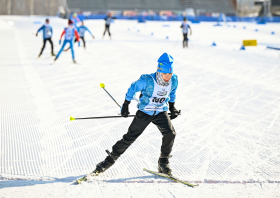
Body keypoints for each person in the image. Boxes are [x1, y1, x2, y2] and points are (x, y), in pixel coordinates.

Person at [91, 53, 180, 176]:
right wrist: (126, 105)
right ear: (159, 71)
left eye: (169, 74)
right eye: (165, 73)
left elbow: (172, 92)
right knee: (130, 137)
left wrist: (172, 107)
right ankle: (109, 160)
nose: (167, 77)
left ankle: (163, 162)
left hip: (160, 111)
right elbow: (132, 88)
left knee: (170, 133)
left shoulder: (173, 80)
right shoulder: (147, 80)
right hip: (145, 111)